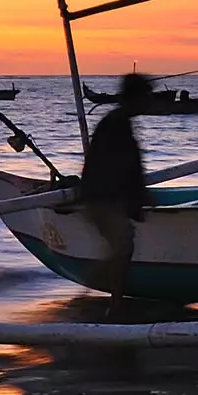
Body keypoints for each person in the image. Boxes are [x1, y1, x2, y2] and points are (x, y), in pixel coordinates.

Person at [81, 71, 153, 308]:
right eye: (145, 97)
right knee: (123, 245)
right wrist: (135, 198)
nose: (148, 102)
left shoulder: (120, 121)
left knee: (124, 244)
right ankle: (107, 294)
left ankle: (115, 300)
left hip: (107, 196)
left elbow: (128, 165)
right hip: (102, 198)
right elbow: (119, 166)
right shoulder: (117, 123)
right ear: (135, 97)